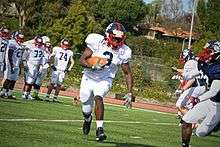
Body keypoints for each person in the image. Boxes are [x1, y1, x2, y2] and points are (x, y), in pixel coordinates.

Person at [79, 22, 134, 141]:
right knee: (86, 108)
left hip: (105, 79)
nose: (117, 41)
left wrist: (130, 92)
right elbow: (82, 60)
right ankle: (88, 119)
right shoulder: (96, 41)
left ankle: (100, 129)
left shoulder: (124, 51)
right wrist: (92, 66)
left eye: (120, 39)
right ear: (108, 35)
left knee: (98, 97)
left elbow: (127, 72)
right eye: (114, 38)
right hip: (88, 77)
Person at [181, 40, 220, 147]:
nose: (206, 53)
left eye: (209, 51)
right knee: (186, 120)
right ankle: (185, 146)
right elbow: (192, 74)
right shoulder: (208, 64)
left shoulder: (218, 67)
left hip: (218, 104)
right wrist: (185, 74)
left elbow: (214, 91)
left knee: (200, 133)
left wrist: (198, 98)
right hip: (210, 101)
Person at [173, 49, 207, 117]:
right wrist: (177, 70)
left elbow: (192, 79)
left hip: (198, 87)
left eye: (183, 56)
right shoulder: (194, 62)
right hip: (202, 86)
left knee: (180, 104)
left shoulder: (190, 62)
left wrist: (182, 89)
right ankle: (190, 122)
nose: (182, 57)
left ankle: (193, 122)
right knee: (190, 106)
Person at [0, 32, 24, 99]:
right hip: (10, 63)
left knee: (14, 80)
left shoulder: (20, 45)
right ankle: (3, 92)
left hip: (16, 64)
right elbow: (9, 55)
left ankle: (9, 94)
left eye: (22, 38)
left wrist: (18, 65)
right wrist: (11, 65)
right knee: (8, 79)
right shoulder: (12, 43)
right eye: (19, 38)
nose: (21, 40)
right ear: (16, 37)